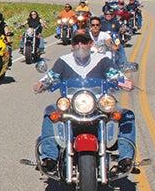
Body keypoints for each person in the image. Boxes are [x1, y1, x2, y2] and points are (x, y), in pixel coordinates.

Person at [33, 30, 135, 174]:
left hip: (99, 106)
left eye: (84, 42)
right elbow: (51, 76)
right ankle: (49, 158)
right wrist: (41, 84)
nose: (80, 45)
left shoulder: (102, 60)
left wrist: (125, 82)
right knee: (50, 112)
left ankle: (126, 159)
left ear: (90, 43)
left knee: (126, 115)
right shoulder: (64, 61)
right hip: (70, 107)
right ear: (72, 45)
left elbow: (114, 74)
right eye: (76, 42)